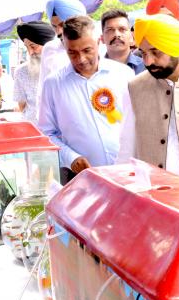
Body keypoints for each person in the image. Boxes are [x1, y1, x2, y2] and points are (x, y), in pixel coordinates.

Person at [38, 15, 133, 184]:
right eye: (72, 53)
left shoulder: (123, 74)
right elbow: (46, 133)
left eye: (87, 50)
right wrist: (71, 158)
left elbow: (135, 122)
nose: (80, 59)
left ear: (98, 42)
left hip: (127, 173)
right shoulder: (53, 84)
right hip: (82, 179)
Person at [116, 14, 179, 183]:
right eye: (143, 53)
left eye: (155, 52)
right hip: (156, 194)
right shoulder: (134, 87)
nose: (148, 61)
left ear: (175, 47)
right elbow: (127, 146)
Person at [13, 21, 55, 124]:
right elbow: (21, 106)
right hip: (33, 130)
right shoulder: (21, 72)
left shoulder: (64, 68)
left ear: (48, 45)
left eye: (33, 46)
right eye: (27, 47)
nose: (30, 52)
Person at [100, 9, 145, 74]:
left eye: (122, 29)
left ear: (131, 36)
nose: (116, 34)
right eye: (110, 30)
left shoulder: (146, 67)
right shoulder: (95, 71)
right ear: (102, 38)